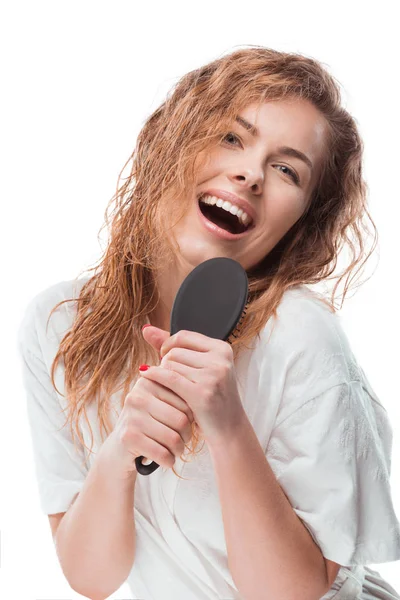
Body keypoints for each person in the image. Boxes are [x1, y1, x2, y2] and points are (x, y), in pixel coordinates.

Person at [17, 46, 400, 600]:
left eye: (287, 169)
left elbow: (294, 595)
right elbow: (90, 578)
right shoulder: (59, 326)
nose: (250, 174)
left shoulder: (299, 335)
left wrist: (227, 426)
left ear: (301, 223)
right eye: (231, 137)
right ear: (168, 141)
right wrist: (118, 456)